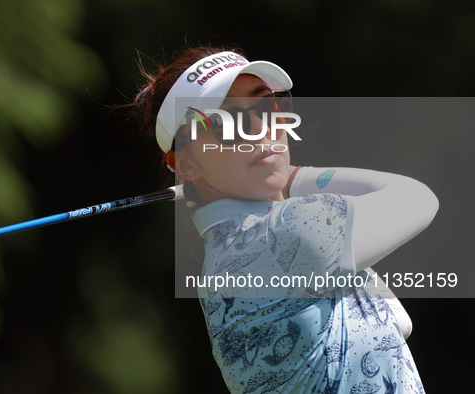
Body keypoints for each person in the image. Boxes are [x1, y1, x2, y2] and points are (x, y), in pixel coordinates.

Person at [128, 46, 438, 393]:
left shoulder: (236, 253)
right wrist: (294, 176)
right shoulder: (284, 238)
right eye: (225, 122)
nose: (260, 128)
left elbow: (398, 321)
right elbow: (418, 199)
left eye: (267, 106)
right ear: (186, 165)